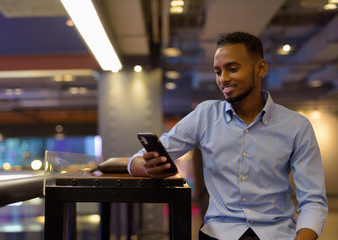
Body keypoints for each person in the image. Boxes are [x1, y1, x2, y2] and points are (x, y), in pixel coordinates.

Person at [128, 32, 328, 240]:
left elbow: (314, 202)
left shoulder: (297, 126)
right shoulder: (205, 115)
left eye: (233, 69)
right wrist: (146, 166)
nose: (223, 79)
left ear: (260, 68)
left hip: (277, 235)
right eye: (218, 71)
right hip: (218, 234)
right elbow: (136, 159)